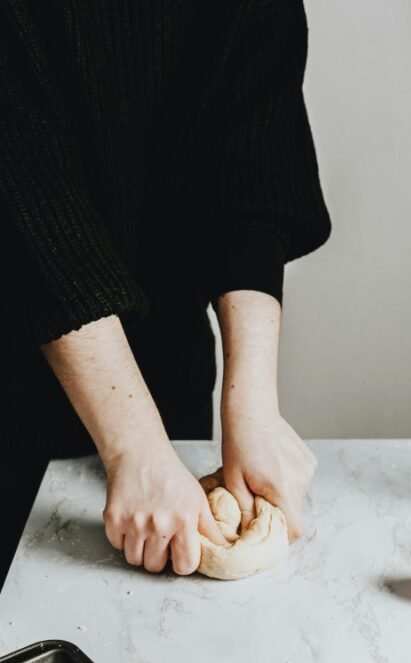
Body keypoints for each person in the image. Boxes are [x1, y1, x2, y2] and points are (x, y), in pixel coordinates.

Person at [0, 0, 331, 589]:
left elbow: (255, 147)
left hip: (166, 372)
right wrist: (132, 444)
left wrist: (251, 404)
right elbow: (24, 185)